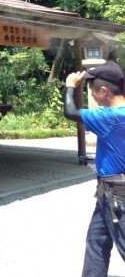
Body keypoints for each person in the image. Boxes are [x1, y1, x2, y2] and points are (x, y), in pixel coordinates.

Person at [63, 61, 125, 276]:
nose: (93, 97)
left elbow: (70, 111)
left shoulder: (110, 117)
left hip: (118, 193)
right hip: (107, 193)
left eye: (92, 91)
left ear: (104, 91)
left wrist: (70, 85)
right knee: (96, 242)